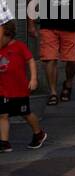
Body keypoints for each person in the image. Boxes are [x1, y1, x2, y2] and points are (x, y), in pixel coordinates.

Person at [0, 20, 47, 151]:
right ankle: (4, 142)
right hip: (3, 89)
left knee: (25, 113)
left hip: (19, 89)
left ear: (8, 35)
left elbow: (30, 60)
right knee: (3, 114)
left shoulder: (19, 46)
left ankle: (38, 134)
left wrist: (33, 79)